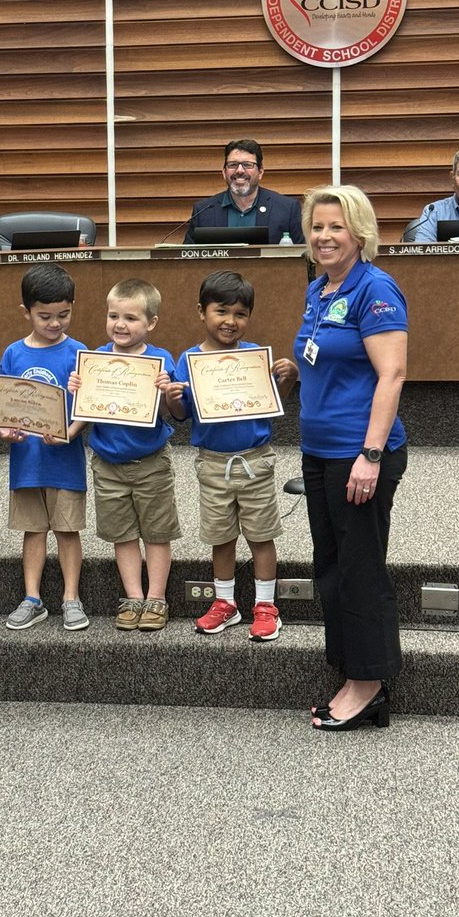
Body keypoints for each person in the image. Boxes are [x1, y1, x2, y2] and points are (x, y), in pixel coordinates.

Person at [294, 185, 408, 732]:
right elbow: (330, 354)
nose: (324, 236)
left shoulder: (375, 287)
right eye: (317, 227)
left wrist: (371, 454)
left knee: (360, 569)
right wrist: (294, 371)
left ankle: (371, 686)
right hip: (319, 451)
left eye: (336, 227)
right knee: (333, 567)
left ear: (359, 233)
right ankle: (351, 671)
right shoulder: (319, 288)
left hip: (357, 453)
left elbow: (392, 373)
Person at [165, 271, 298, 642]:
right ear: (201, 312)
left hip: (255, 460)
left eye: (240, 313)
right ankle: (226, 603)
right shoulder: (189, 359)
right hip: (212, 464)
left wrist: (287, 378)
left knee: (261, 535)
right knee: (220, 537)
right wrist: (173, 398)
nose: (230, 321)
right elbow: (180, 416)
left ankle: (266, 606)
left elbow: (273, 408)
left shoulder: (255, 359)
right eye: (221, 311)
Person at [67, 279, 180, 632]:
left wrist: (166, 392)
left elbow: (168, 413)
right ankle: (133, 597)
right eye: (113, 315)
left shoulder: (161, 360)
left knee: (157, 532)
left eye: (131, 318)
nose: (120, 324)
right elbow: (84, 412)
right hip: (107, 464)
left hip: (151, 462)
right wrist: (76, 399)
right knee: (123, 533)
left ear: (151, 323)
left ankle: (157, 597)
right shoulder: (95, 361)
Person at [0, 263, 89, 631]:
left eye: (63, 315)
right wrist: (5, 432)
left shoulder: (80, 352)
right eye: (45, 316)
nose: (55, 323)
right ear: (26, 312)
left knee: (67, 530)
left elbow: (89, 407)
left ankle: (71, 597)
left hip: (65, 458)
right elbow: (2, 408)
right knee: (33, 530)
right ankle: (32, 598)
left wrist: (71, 430)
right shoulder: (13, 354)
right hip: (27, 460)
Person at [183, 138, 304, 244]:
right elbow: (186, 261)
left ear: (260, 172)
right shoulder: (203, 211)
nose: (239, 170)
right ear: (224, 172)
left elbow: (302, 259)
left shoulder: (287, 209)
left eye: (247, 164)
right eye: (233, 165)